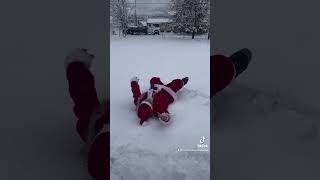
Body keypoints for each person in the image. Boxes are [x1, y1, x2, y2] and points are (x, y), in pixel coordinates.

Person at [65, 48, 109, 180]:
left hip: (100, 140)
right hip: (101, 138)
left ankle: (76, 67)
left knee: (87, 110)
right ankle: (76, 67)